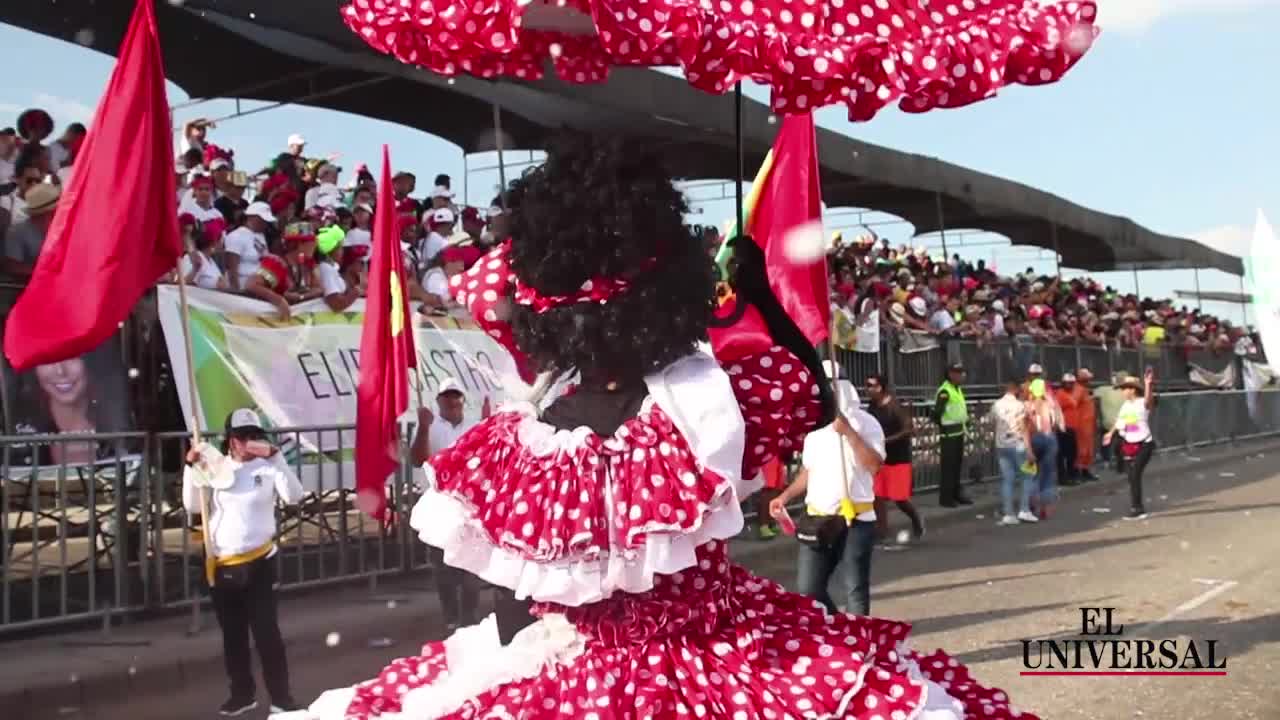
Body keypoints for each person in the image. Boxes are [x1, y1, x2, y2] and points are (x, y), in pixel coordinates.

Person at [297, 134, 1030, 720]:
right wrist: (757, 302)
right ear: (668, 294)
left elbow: (510, 592)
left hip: (583, 669)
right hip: (726, 657)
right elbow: (811, 396)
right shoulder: (710, 398)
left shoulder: (529, 433)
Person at [182, 409, 304, 716]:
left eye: (254, 435)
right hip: (223, 563)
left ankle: (281, 697)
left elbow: (293, 495)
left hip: (260, 561)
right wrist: (190, 469)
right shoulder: (215, 468)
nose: (248, 442)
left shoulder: (267, 466)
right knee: (233, 636)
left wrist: (277, 459)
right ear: (230, 440)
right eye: (242, 436)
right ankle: (242, 694)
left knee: (267, 633)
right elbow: (193, 505)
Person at [772, 376, 883, 615]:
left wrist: (850, 434)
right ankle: (839, 630)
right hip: (818, 520)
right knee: (809, 590)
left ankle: (858, 643)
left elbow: (874, 466)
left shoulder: (868, 423)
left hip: (857, 520)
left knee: (855, 589)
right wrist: (785, 496)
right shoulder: (814, 432)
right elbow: (808, 471)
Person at [409, 379, 486, 631]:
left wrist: (488, 426)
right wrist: (422, 427)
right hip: (439, 506)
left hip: (469, 506)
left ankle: (469, 617)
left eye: (456, 397)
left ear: (462, 399)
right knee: (443, 567)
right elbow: (417, 459)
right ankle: (452, 616)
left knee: (471, 565)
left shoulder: (475, 425)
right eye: (447, 397)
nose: (452, 401)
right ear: (439, 400)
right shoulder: (429, 427)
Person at [864, 373, 924, 541]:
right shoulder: (872, 406)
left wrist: (886, 440)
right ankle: (881, 532)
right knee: (877, 496)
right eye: (866, 385)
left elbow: (909, 429)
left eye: (871, 385)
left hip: (898, 457)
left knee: (899, 499)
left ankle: (916, 520)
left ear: (880, 387)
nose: (867, 389)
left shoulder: (894, 406)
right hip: (879, 458)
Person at [1104, 369, 1157, 520]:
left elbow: (1149, 402)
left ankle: (1137, 508)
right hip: (1128, 443)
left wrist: (1148, 385)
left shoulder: (1142, 403)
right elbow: (1120, 421)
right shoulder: (1125, 405)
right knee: (1131, 477)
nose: (1122, 391)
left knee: (1135, 475)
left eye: (1125, 388)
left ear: (1133, 389)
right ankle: (1137, 506)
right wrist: (1110, 433)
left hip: (1144, 444)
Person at [989, 379, 1037, 525]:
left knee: (1007, 479)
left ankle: (1009, 514)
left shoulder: (996, 405)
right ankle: (1024, 510)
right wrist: (1029, 450)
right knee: (1028, 475)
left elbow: (992, 424)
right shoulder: (1019, 406)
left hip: (1002, 445)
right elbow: (1024, 428)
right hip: (1018, 445)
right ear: (1016, 389)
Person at [933, 362, 974, 507]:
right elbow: (936, 413)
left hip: (959, 433)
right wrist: (943, 427)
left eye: (962, 372)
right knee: (948, 468)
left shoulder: (957, 389)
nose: (962, 375)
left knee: (957, 467)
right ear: (950, 374)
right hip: (949, 436)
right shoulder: (945, 391)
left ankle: (956, 494)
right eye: (958, 373)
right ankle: (946, 499)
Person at [1025, 378, 1064, 520]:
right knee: (1047, 475)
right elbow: (1060, 424)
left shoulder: (1027, 405)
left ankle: (1031, 504)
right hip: (1049, 438)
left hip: (1033, 438)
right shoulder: (1052, 404)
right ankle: (1045, 509)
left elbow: (1023, 426)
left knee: (1031, 474)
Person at [224, 202, 275, 292]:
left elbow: (263, 259)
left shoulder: (261, 235)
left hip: (260, 285)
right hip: (244, 288)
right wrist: (236, 292)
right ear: (251, 217)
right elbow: (232, 269)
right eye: (262, 220)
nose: (265, 224)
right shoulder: (236, 236)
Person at [1070, 368, 1099, 480]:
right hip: (1081, 424)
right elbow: (1073, 403)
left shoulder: (1083, 389)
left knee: (1087, 449)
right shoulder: (1078, 389)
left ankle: (1085, 470)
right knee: (1081, 449)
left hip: (1087, 424)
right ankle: (1080, 472)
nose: (1089, 381)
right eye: (1087, 379)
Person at [1053, 373, 1080, 486]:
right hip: (1064, 428)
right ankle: (1064, 477)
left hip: (1071, 428)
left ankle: (1071, 475)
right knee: (1064, 454)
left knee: (1071, 454)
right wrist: (1059, 425)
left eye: (1071, 383)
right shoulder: (1060, 394)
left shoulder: (1069, 394)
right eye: (1067, 383)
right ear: (1063, 384)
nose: (1069, 385)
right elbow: (1056, 411)